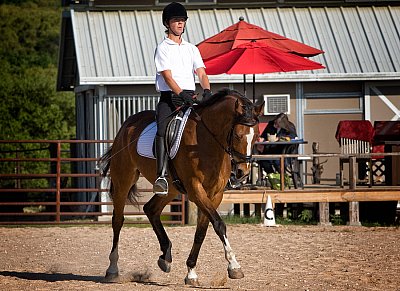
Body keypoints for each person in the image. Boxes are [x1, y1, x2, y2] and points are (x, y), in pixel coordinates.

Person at [153, 2, 212, 195]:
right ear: (167, 23)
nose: (180, 24)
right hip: (170, 99)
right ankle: (161, 176)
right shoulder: (163, 48)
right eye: (176, 21)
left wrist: (207, 90)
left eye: (182, 21)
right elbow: (167, 77)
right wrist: (181, 94)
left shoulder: (192, 49)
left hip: (190, 98)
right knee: (162, 130)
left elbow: (201, 72)